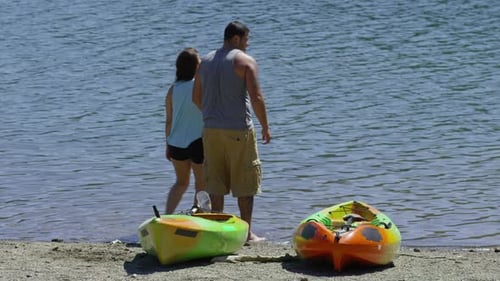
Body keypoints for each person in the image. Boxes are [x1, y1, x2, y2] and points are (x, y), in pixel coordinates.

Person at [192, 21, 271, 241]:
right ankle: (246, 233)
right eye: (246, 39)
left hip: (211, 130)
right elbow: (256, 98)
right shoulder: (244, 61)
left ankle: (220, 232)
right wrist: (265, 126)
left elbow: (195, 98)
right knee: (245, 182)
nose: (248, 44)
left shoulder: (205, 61)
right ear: (236, 39)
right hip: (238, 130)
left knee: (216, 182)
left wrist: (212, 115)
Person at [164, 47, 205, 214]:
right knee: (202, 184)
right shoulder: (200, 86)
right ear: (196, 67)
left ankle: (166, 216)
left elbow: (169, 121)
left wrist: (167, 144)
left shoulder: (173, 89)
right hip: (197, 142)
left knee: (181, 183)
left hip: (176, 143)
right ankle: (198, 215)